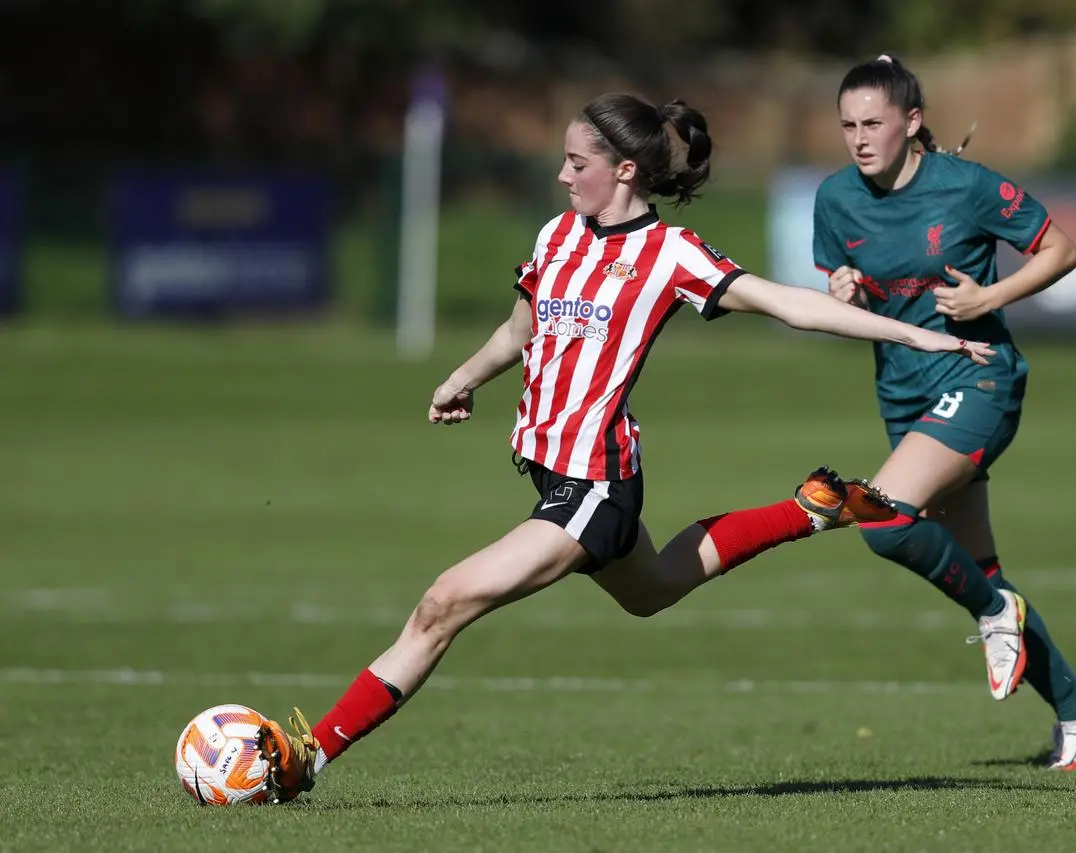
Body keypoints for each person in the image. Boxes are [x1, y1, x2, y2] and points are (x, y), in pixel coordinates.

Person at [251, 92, 997, 803]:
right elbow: (520, 330)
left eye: (578, 163)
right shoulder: (555, 234)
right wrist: (464, 377)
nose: (563, 174)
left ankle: (306, 756)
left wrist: (914, 331)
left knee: (443, 603)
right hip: (553, 474)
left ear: (626, 171)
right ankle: (811, 508)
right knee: (656, 588)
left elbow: (788, 303)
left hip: (596, 486)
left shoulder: (670, 253)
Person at [813, 54, 1076, 770]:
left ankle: (993, 614)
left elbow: (1061, 250)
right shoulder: (835, 198)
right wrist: (844, 287)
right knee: (981, 568)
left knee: (880, 516)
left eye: (874, 124)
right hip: (904, 394)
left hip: (980, 381)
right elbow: (838, 278)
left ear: (911, 124)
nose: (859, 139)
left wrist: (988, 298)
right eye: (848, 125)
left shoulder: (967, 186)